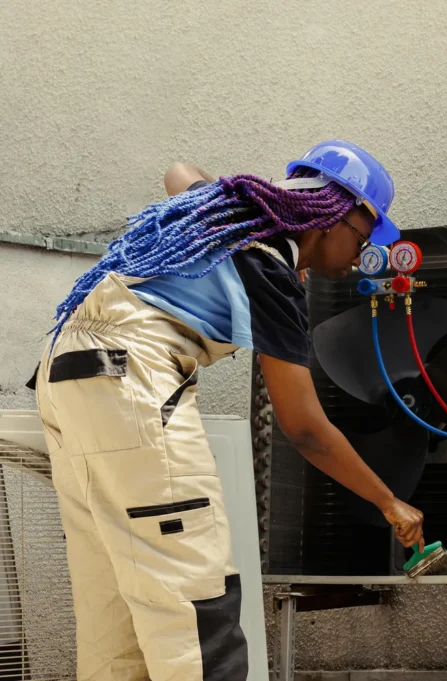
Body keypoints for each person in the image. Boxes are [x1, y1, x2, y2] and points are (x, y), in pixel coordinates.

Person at [27, 140, 426, 681]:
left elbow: (178, 171)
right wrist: (387, 501)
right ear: (330, 217)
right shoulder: (270, 273)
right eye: (362, 237)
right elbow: (305, 429)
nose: (361, 255)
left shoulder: (227, 226)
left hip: (66, 375)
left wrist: (246, 202)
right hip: (130, 380)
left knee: (116, 613)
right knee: (195, 605)